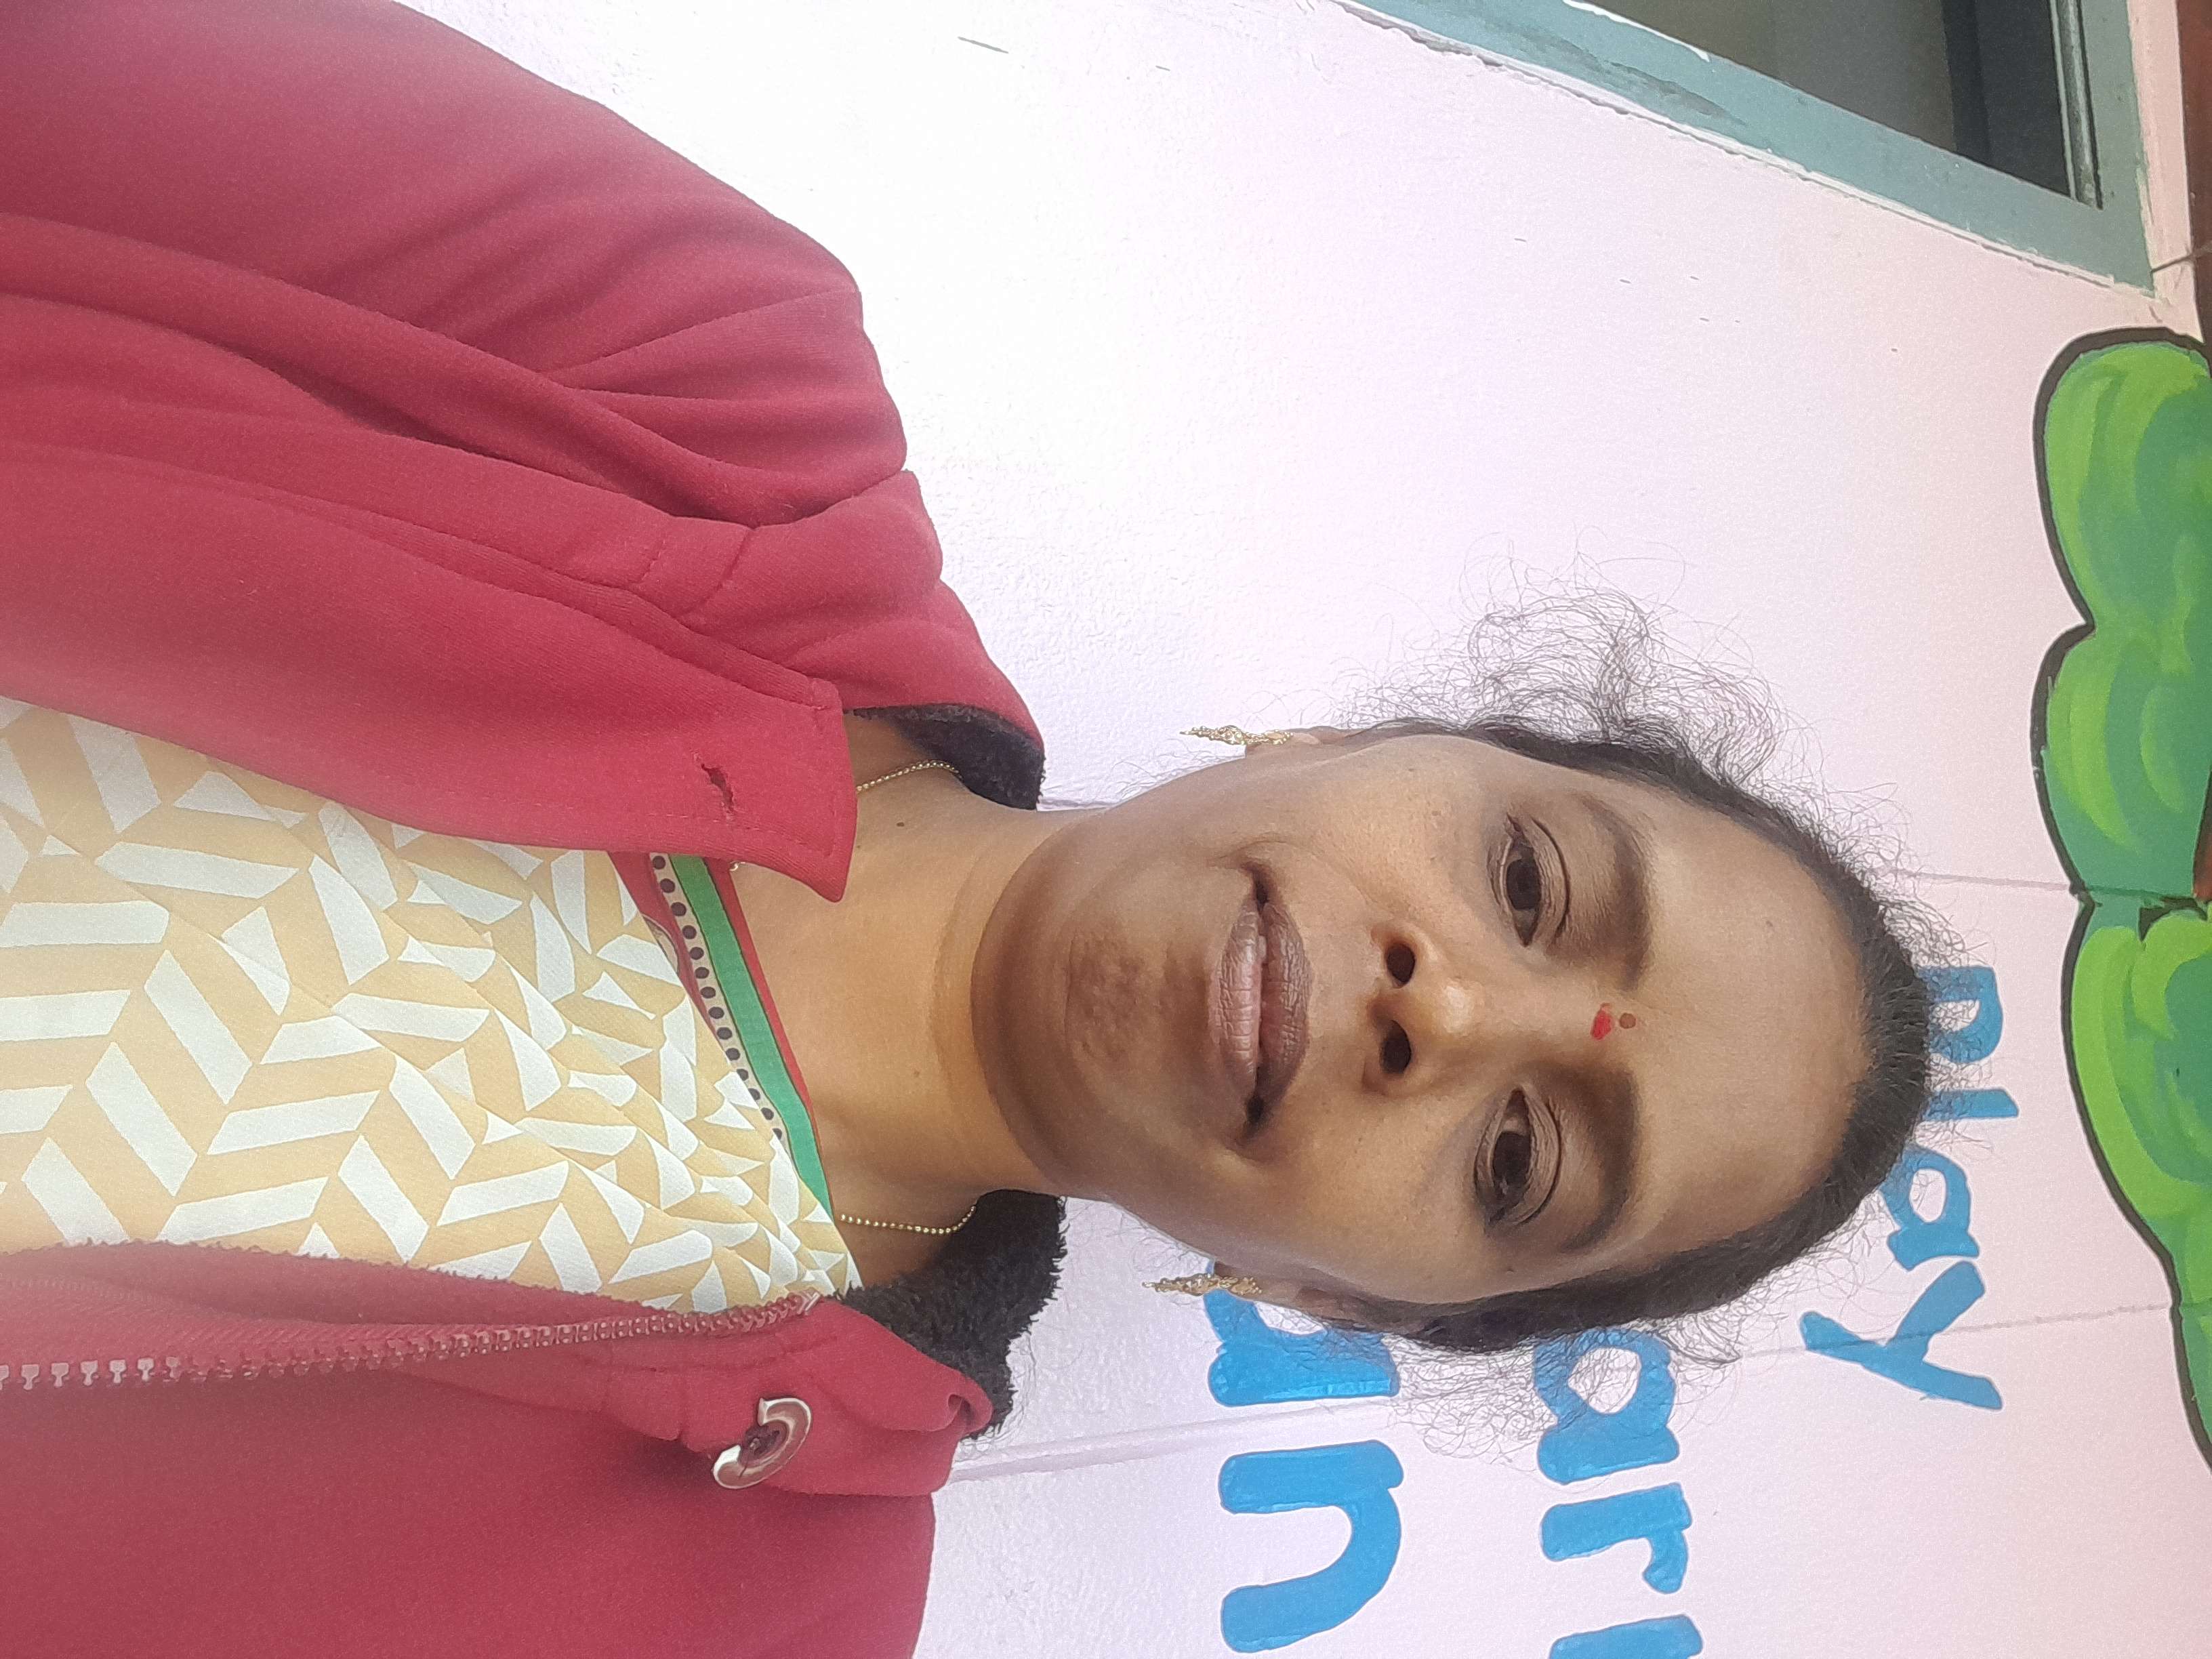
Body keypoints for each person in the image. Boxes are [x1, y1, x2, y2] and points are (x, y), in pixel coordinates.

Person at [0, 3, 1934, 1656]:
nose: (1447, 1011)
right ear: (1352, 734)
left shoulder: (760, 1612)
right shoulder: (702, 373)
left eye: (1520, 1157)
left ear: (1342, 1301)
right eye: (1529, 879)